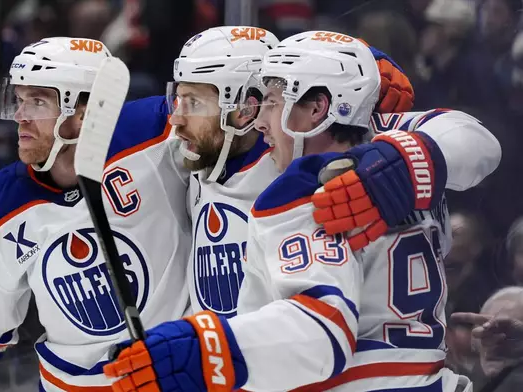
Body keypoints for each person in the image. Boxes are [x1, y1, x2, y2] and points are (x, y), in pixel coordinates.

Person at [102, 30, 500, 391]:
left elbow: (321, 332)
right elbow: (471, 139)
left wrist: (205, 348)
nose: (258, 119)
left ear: (317, 107)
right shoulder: (395, 141)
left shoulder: (302, 185)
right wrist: (413, 157)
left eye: (271, 102)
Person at [0, 37, 192, 391]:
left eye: (37, 101)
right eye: (18, 100)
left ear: (84, 115)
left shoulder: (160, 136)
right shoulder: (4, 206)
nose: (19, 116)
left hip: (175, 379)